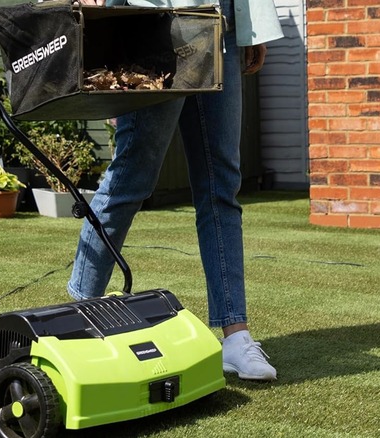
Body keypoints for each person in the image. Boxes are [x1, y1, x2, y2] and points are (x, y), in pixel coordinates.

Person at [69, 0, 284, 380]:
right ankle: (76, 317)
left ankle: (236, 336)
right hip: (156, 21)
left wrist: (254, 27)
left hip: (221, 26)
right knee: (132, 178)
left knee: (221, 184)